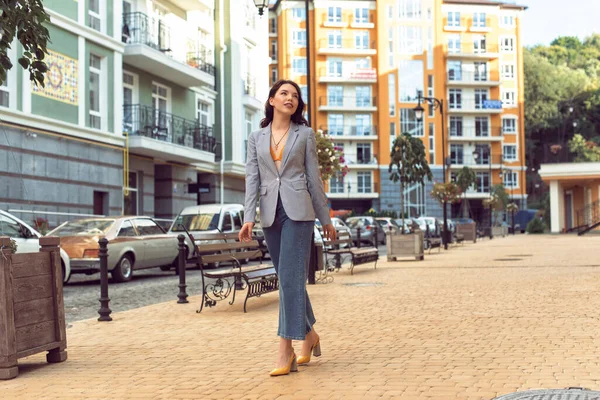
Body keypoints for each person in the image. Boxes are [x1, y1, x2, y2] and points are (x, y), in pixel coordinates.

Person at [239, 79, 336, 377]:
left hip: (299, 212)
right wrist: (248, 216)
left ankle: (286, 350)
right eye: (284, 93)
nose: (290, 98)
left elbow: (313, 178)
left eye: (295, 96)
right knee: (288, 278)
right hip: (270, 213)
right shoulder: (256, 137)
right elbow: (252, 178)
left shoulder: (304, 135)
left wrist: (326, 218)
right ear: (271, 100)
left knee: (290, 281)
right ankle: (310, 336)